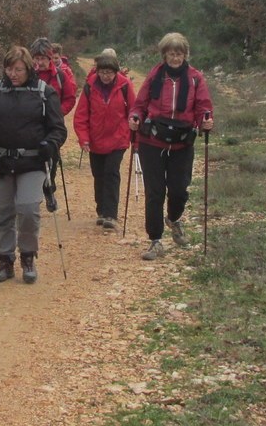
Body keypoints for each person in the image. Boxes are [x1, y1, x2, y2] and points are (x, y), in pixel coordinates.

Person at [0, 45, 68, 284]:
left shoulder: (44, 92)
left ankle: (27, 255)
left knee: (27, 209)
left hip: (33, 161)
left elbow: (58, 129)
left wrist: (50, 143)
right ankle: (5, 259)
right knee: (3, 211)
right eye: (9, 69)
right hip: (0, 161)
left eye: (18, 69)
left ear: (28, 68)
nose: (13, 74)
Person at [128, 32, 214, 260]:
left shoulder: (195, 78)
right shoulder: (155, 76)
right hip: (152, 141)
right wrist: (135, 117)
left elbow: (203, 106)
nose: (175, 58)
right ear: (164, 55)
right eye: (171, 54)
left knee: (179, 190)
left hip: (182, 143)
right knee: (154, 193)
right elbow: (140, 104)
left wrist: (206, 121)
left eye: (179, 53)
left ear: (185, 55)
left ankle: (173, 219)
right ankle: (155, 240)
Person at [74, 49, 133, 231]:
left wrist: (133, 128)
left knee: (111, 173)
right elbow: (81, 115)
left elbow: (134, 109)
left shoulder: (124, 85)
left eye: (109, 73)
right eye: (102, 72)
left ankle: (111, 215)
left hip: (118, 139)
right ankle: (101, 210)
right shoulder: (90, 86)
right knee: (98, 175)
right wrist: (83, 138)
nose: (105, 76)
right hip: (96, 141)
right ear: (97, 71)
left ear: (116, 72)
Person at [31, 37, 76, 115]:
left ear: (49, 58)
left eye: (43, 58)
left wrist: (58, 113)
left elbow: (70, 99)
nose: (40, 62)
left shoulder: (60, 75)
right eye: (37, 58)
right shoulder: (29, 75)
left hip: (53, 123)